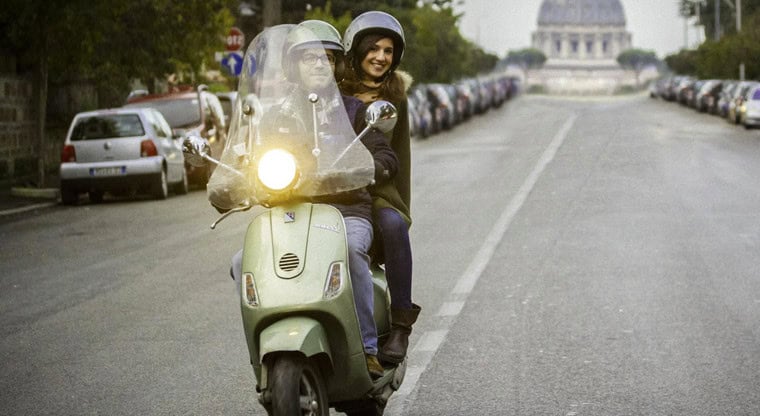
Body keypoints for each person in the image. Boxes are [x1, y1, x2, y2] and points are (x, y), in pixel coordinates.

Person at [210, 20, 397, 379]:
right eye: (308, 58)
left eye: (326, 58)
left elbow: (385, 155)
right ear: (293, 66)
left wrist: (371, 165)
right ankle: (262, 353)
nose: (317, 65)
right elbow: (247, 157)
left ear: (337, 65)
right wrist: (231, 178)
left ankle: (368, 349)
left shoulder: (353, 111)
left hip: (344, 211)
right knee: (240, 262)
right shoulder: (276, 115)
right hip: (288, 212)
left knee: (352, 251)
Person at [340, 11, 421, 365]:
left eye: (388, 51)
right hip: (332, 186)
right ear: (357, 52)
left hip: (379, 189)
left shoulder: (395, 98)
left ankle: (401, 324)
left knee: (392, 225)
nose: (380, 57)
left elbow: (396, 155)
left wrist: (391, 196)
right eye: (373, 48)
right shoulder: (335, 92)